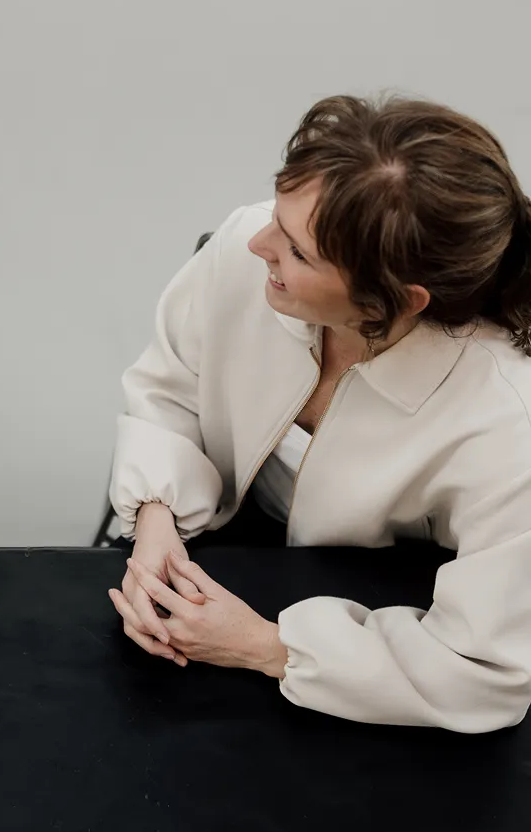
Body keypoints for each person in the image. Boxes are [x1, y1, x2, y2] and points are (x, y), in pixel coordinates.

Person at [107, 93, 531, 733]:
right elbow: (172, 387)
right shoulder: (242, 250)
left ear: (395, 300)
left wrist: (264, 647)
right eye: (276, 215)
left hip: (378, 630)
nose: (255, 242)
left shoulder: (509, 422)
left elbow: (482, 670)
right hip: (219, 543)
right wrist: (155, 522)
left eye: (298, 252)